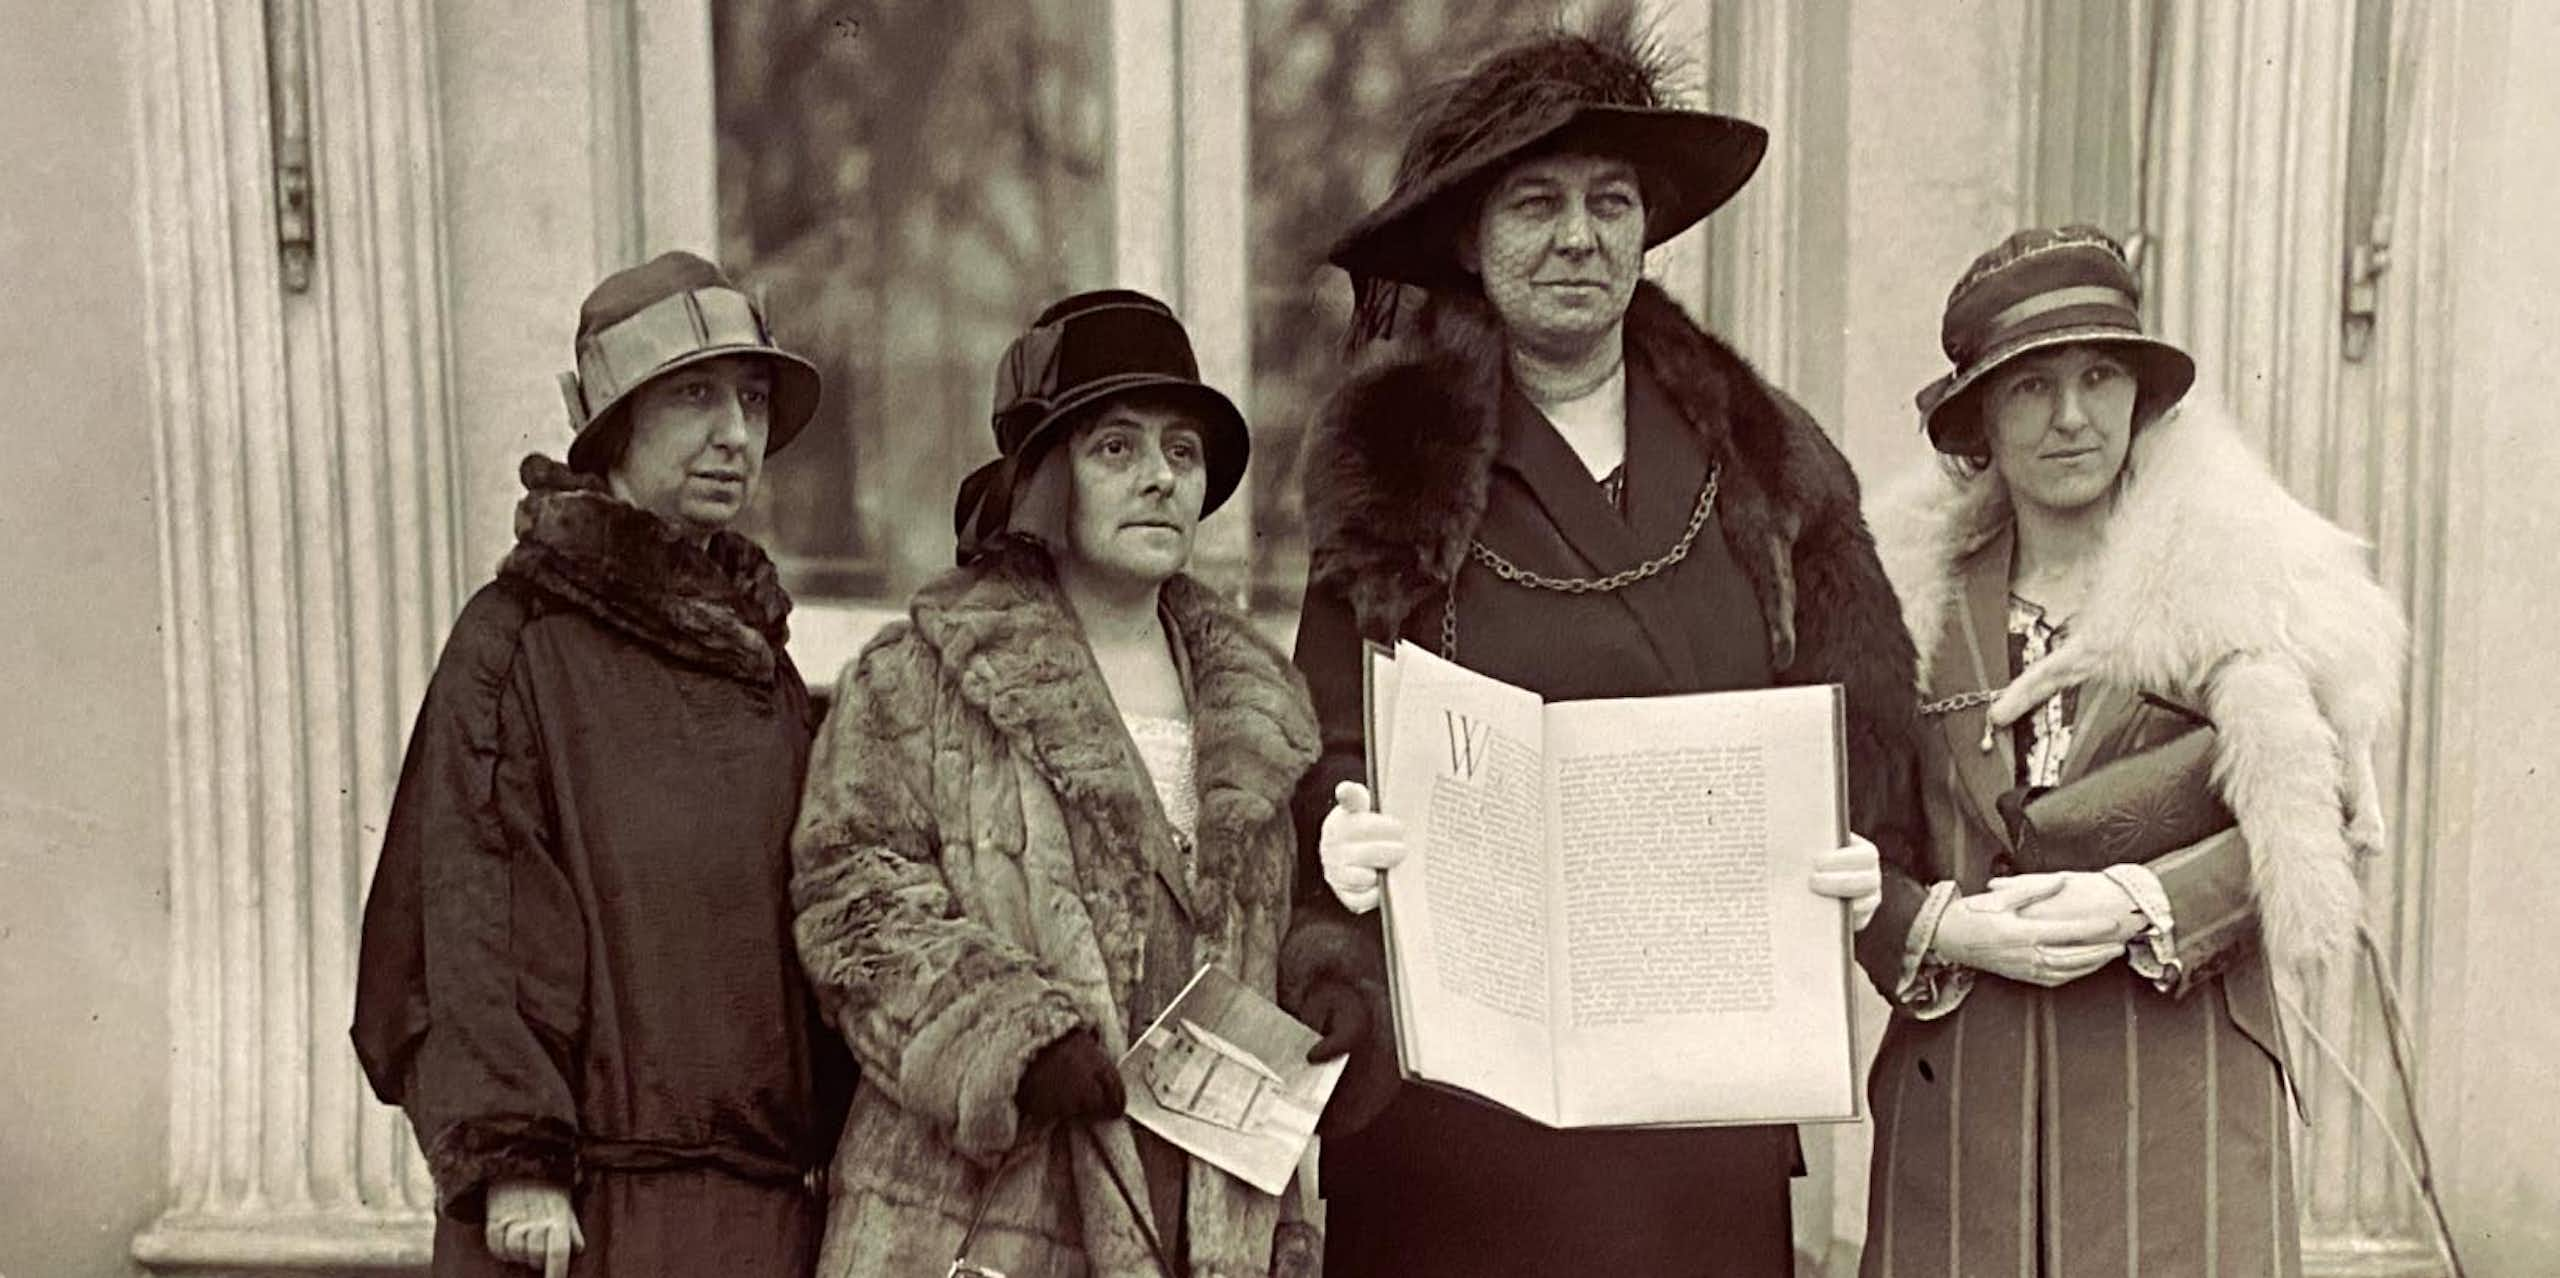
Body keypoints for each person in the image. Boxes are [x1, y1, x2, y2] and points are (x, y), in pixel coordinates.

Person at [1278, 21, 1923, 1276]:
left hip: (1697, 1114)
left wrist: (1850, 849)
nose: (1578, 236)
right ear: (1471, 236)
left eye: (1609, 202)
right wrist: (1336, 828)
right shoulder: (1394, 457)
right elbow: (1324, 737)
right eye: (1536, 203)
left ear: (1647, 228)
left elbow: (1867, 735)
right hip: (1456, 1116)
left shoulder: (1767, 460)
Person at [1856, 225, 2406, 1276]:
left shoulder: (2240, 583)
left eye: (2099, 375)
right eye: (2029, 388)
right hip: (1967, 1094)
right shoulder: (1903, 605)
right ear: (1977, 417)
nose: (2071, 418)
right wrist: (1948, 928)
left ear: (2139, 396)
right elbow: (1840, 851)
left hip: (2181, 1081)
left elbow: (2314, 815)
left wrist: (2140, 906)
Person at [789, 290, 1322, 1278]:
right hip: (979, 1213)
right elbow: (850, 899)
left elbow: (1264, 951)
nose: (1159, 478)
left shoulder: (1254, 716)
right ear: (1045, 480)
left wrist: (1329, 982)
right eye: (1115, 448)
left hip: (1200, 1215)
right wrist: (1009, 1036)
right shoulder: (919, 678)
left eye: (1182, 451)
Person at [351, 251, 853, 1277]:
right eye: (694, 396)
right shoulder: (519, 638)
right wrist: (515, 1159)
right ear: (616, 422)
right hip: (579, 1219)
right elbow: (463, 908)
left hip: (765, 1218)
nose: (735, 436)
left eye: (752, 402)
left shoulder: (761, 660)